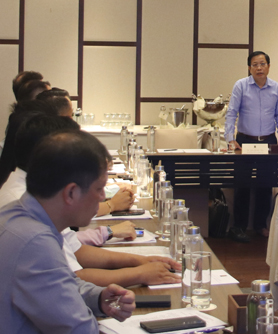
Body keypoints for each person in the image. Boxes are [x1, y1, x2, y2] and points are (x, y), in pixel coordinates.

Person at [0, 114, 181, 287]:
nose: (102, 196)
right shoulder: (32, 218)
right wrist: (138, 274)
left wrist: (140, 261)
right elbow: (73, 281)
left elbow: (76, 250)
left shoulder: (35, 197)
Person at [0, 130, 135, 332]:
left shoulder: (15, 214)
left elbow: (59, 284)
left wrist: (97, 298)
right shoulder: (35, 243)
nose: (102, 198)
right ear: (71, 192)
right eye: (99, 189)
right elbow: (79, 329)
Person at [224, 51, 278, 243]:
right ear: (249, 68)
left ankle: (261, 225)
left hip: (268, 141)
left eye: (262, 64)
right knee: (242, 184)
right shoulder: (241, 86)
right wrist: (230, 138)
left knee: (265, 184)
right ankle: (239, 227)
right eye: (255, 64)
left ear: (269, 66)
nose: (259, 68)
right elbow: (231, 113)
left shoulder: (276, 88)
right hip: (245, 141)